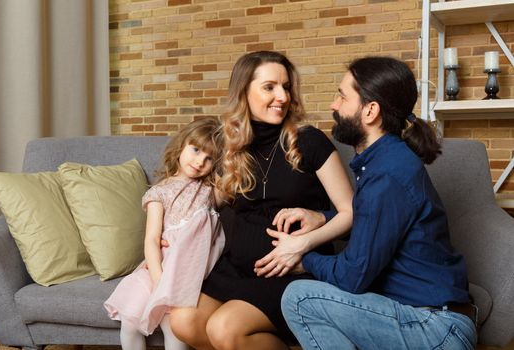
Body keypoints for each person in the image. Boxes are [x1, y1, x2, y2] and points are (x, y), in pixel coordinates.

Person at [281, 56, 478, 350]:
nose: (334, 105)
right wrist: (323, 218)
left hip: (435, 330)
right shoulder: (386, 161)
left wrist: (303, 258)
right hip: (431, 321)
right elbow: (381, 221)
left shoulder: (387, 174)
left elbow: (352, 277)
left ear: (370, 110)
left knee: (299, 298)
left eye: (342, 96)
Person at [169, 51, 354, 349]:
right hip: (235, 270)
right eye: (269, 87)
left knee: (224, 329)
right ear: (244, 91)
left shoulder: (311, 141)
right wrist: (169, 234)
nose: (282, 96)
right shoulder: (229, 145)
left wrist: (303, 245)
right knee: (183, 321)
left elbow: (352, 213)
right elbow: (199, 202)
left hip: (292, 273)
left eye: (286, 87)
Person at [104, 117, 226, 350]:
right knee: (130, 324)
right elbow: (151, 239)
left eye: (209, 158)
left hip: (186, 275)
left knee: (174, 327)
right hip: (158, 270)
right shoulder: (159, 192)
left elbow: (234, 180)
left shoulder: (210, 191)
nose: (200, 161)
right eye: (196, 149)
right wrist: (159, 280)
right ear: (181, 146)